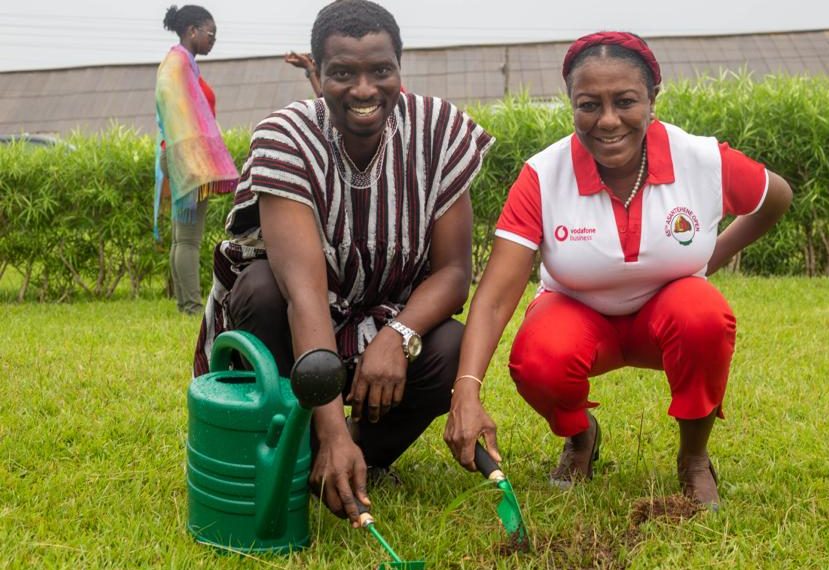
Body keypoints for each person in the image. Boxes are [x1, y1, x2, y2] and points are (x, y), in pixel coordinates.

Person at [444, 32, 793, 510]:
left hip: (668, 316)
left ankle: (693, 459)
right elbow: (497, 294)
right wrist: (467, 389)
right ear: (571, 104)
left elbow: (777, 196)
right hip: (578, 315)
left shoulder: (701, 160)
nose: (608, 120)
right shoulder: (544, 175)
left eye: (625, 101)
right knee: (539, 357)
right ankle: (581, 437)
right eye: (589, 105)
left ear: (653, 98)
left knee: (704, 316)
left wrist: (715, 256)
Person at [192, 0, 493, 526]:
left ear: (400, 68)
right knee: (262, 289)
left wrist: (396, 335)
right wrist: (329, 428)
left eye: (381, 70)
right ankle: (309, 445)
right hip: (292, 321)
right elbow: (303, 292)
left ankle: (363, 453)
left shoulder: (439, 131)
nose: (363, 90)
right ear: (317, 73)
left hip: (380, 314)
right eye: (342, 73)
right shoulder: (285, 137)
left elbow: (452, 274)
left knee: (447, 344)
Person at [155, 4, 239, 315]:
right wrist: (198, 161)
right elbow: (183, 120)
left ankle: (184, 303)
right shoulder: (178, 65)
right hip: (186, 158)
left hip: (181, 156)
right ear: (193, 31)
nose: (213, 40)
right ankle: (190, 307)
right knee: (189, 239)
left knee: (183, 238)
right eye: (210, 33)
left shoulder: (180, 63)